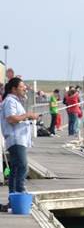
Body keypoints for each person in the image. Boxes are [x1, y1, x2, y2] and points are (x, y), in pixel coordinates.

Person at [1, 77, 39, 210]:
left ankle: (14, 200)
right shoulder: (10, 101)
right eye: (22, 86)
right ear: (14, 89)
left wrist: (29, 117)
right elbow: (11, 118)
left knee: (16, 169)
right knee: (22, 167)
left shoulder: (15, 101)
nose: (25, 88)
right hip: (15, 139)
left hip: (19, 139)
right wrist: (27, 115)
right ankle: (20, 194)